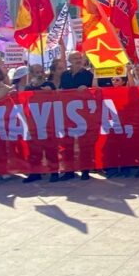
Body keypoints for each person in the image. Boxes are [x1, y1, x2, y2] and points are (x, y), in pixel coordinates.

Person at [58, 52, 95, 180]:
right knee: (67, 142)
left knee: (84, 142)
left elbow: (95, 91)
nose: (78, 60)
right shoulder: (65, 75)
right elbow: (61, 89)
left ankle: (85, 170)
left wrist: (88, 89)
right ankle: (69, 171)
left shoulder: (88, 74)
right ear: (69, 60)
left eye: (80, 58)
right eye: (75, 58)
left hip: (83, 112)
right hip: (67, 113)